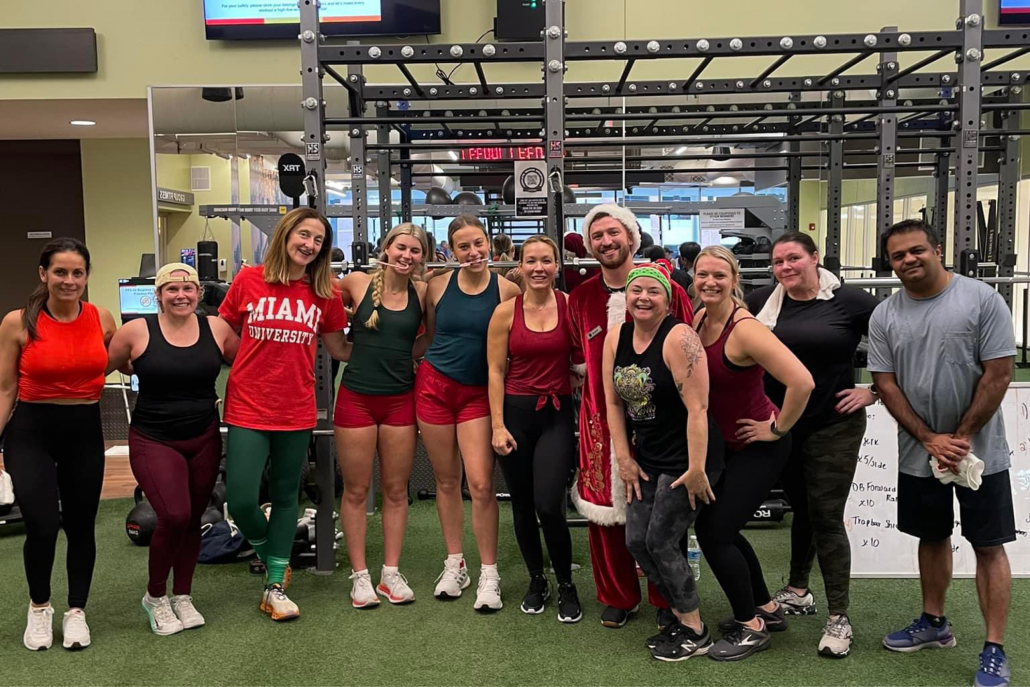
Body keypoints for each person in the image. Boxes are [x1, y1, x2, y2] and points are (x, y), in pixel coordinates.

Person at [869, 220, 1015, 687]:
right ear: (889, 264)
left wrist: (962, 435)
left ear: (937, 248)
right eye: (898, 256)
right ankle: (934, 623)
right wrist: (930, 438)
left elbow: (999, 374)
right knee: (930, 538)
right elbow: (885, 383)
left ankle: (994, 648)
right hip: (920, 454)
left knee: (989, 546)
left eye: (916, 251)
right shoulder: (885, 315)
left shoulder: (982, 300)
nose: (908, 261)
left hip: (979, 454)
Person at [745, 231, 880, 658]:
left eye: (793, 258)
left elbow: (901, 339)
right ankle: (798, 590)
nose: (785, 267)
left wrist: (873, 390)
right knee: (801, 506)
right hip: (781, 425)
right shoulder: (763, 300)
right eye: (778, 261)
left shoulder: (850, 301)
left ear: (814, 258)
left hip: (832, 424)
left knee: (825, 515)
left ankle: (839, 616)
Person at [218, 207, 350, 622]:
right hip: (248, 405)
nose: (309, 245)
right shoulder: (248, 280)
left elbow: (339, 349)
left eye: (318, 241)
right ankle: (267, 550)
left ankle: (274, 582)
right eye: (304, 235)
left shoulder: (324, 292)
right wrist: (250, 366)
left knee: (286, 494)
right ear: (286, 234)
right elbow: (223, 335)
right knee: (240, 499)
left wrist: (396, 343)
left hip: (296, 407)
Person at [567, 203, 693, 629]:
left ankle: (666, 597)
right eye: (597, 235)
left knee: (661, 514)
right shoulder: (581, 297)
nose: (606, 241)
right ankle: (618, 595)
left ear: (631, 235)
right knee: (604, 511)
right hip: (599, 423)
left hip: (663, 423)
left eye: (613, 232)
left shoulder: (666, 287)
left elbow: (688, 345)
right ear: (589, 244)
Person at [692, 246, 814, 661]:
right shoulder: (699, 318)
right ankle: (765, 606)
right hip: (724, 447)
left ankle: (750, 625)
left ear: (735, 278)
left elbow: (802, 382)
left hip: (759, 447)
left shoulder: (745, 329)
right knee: (720, 528)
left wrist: (777, 428)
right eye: (702, 274)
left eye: (719, 276)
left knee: (713, 533)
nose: (710, 282)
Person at [106, 263, 239, 635]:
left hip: (204, 436)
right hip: (154, 438)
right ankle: (155, 597)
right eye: (172, 289)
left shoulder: (216, 329)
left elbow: (247, 363)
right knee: (175, 516)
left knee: (196, 517)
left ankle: (183, 594)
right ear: (158, 295)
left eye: (188, 288)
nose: (181, 295)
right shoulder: (135, 331)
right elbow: (100, 368)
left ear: (198, 293)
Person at [0, 238, 117, 651]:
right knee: (43, 524)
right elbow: (6, 389)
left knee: (82, 526)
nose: (69, 280)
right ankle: (39, 608)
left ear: (87, 276)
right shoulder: (17, 322)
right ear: (43, 275)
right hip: (31, 430)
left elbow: (125, 359)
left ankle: (76, 612)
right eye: (61, 272)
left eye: (77, 273)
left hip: (84, 429)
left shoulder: (102, 318)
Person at [603, 264, 724, 661]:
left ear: (668, 299)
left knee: (660, 541)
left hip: (688, 459)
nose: (643, 298)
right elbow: (613, 403)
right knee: (636, 541)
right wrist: (624, 457)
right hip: (647, 457)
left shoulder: (679, 337)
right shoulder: (616, 336)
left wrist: (697, 468)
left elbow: (698, 407)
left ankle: (695, 629)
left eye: (653, 292)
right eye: (636, 290)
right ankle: (677, 612)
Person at [419, 214, 520, 612]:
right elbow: (428, 337)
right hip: (434, 388)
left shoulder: (508, 289)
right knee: (446, 482)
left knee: (480, 484)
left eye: (479, 243)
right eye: (464, 246)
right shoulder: (436, 287)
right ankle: (455, 563)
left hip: (480, 394)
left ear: (488, 245)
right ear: (452, 250)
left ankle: (489, 574)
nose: (474, 252)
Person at [333, 223, 428, 609]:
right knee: (356, 490)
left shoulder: (423, 291)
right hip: (355, 399)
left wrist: (404, 355)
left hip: (399, 400)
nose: (407, 255)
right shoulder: (356, 282)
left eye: (416, 250)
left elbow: (431, 338)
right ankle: (360, 577)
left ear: (423, 257)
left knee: (394, 490)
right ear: (386, 248)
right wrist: (339, 348)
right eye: (401, 247)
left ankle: (390, 573)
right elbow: (317, 300)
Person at [486, 236, 581, 622]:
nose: (539, 267)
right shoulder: (506, 312)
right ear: (519, 266)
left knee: (549, 504)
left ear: (557, 266)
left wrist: (580, 375)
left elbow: (584, 356)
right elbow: (495, 370)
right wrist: (497, 425)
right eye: (531, 261)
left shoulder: (570, 306)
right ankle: (536, 579)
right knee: (523, 505)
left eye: (546, 260)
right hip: (515, 415)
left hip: (556, 415)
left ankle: (566, 584)